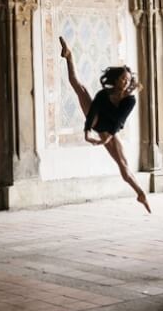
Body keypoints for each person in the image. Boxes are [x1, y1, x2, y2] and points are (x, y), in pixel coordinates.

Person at [59, 36, 152, 214]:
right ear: (116, 79)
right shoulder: (104, 94)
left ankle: (140, 193)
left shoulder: (129, 100)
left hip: (109, 130)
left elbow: (119, 121)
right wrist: (86, 132)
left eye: (128, 79)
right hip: (96, 120)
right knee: (79, 87)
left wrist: (107, 137)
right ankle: (69, 56)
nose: (125, 82)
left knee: (123, 165)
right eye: (123, 79)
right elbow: (93, 110)